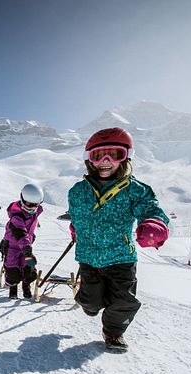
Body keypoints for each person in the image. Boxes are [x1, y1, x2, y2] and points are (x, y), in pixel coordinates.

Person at [68, 127, 169, 351]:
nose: (105, 160)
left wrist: (154, 223)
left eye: (114, 154)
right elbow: (76, 216)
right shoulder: (77, 191)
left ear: (126, 158)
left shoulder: (135, 190)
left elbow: (151, 210)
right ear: (89, 160)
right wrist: (75, 229)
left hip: (121, 255)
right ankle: (89, 302)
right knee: (91, 301)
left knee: (124, 301)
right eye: (98, 155)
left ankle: (113, 333)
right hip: (88, 255)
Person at [0, 184, 44, 299]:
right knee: (13, 273)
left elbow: (28, 230)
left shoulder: (34, 212)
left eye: (35, 205)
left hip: (25, 247)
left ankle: (26, 286)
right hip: (13, 248)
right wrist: (28, 251)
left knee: (30, 271)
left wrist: (31, 237)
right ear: (22, 199)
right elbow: (20, 233)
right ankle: (13, 288)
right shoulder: (17, 216)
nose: (31, 208)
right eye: (29, 204)